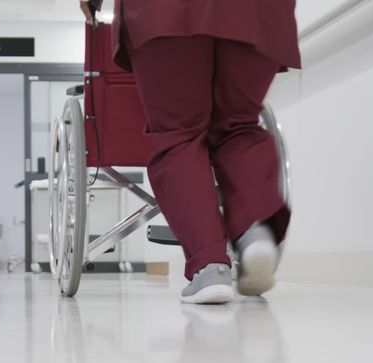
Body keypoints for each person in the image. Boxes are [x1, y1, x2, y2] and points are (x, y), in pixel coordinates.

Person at [80, 0, 300, 305]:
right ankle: (254, 234)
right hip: (257, 10)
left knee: (178, 133)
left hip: (167, 11)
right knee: (239, 124)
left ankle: (209, 266)